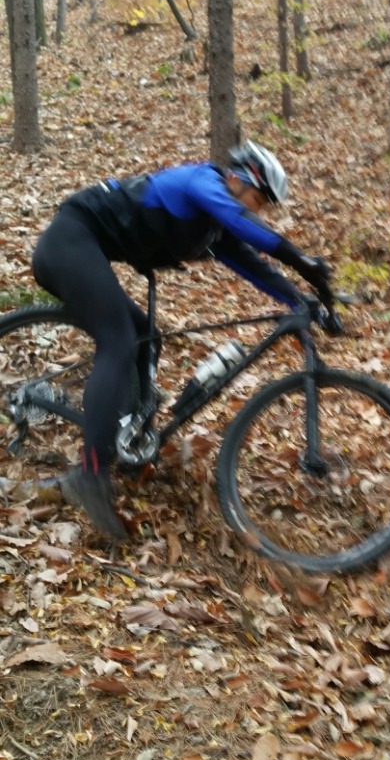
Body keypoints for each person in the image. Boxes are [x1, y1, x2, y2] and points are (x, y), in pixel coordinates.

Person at [31, 140, 332, 541]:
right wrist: (303, 260)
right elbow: (244, 222)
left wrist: (302, 300)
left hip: (83, 248)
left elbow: (255, 266)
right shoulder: (200, 181)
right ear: (237, 179)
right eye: (258, 200)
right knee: (119, 341)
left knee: (146, 337)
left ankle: (128, 440)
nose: (258, 211)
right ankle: (90, 473)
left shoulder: (214, 228)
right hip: (69, 241)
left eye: (263, 206)